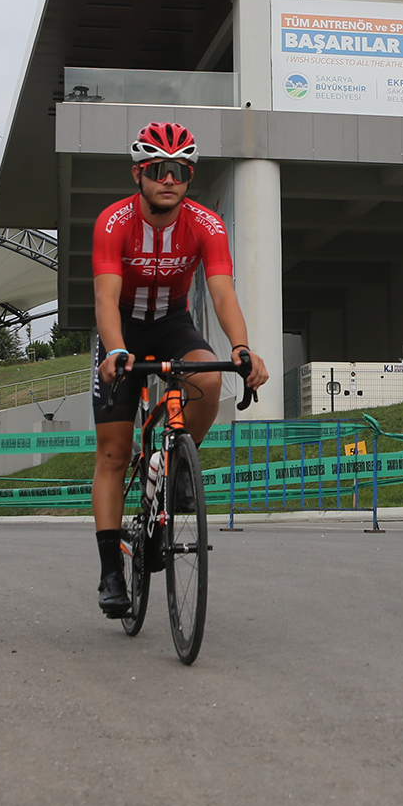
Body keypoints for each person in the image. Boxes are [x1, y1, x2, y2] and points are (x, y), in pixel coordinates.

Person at [89, 122, 269, 617]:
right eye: (157, 170)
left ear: (190, 176)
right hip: (121, 329)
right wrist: (115, 350)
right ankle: (110, 572)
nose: (169, 179)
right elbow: (105, 297)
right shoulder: (112, 221)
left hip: (172, 324)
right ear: (138, 174)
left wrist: (242, 347)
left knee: (209, 378)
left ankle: (178, 465)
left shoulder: (207, 225)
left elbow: (221, 291)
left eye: (180, 171)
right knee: (113, 452)